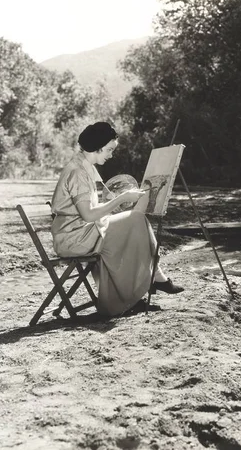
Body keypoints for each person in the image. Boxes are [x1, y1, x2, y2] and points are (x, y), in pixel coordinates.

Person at [50, 121, 184, 316]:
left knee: (135, 222)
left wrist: (112, 202)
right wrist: (121, 199)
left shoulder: (82, 165)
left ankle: (143, 287)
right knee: (136, 220)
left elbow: (86, 210)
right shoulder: (78, 172)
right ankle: (153, 280)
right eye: (109, 150)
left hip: (79, 232)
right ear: (98, 147)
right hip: (74, 239)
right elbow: (87, 215)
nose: (111, 155)